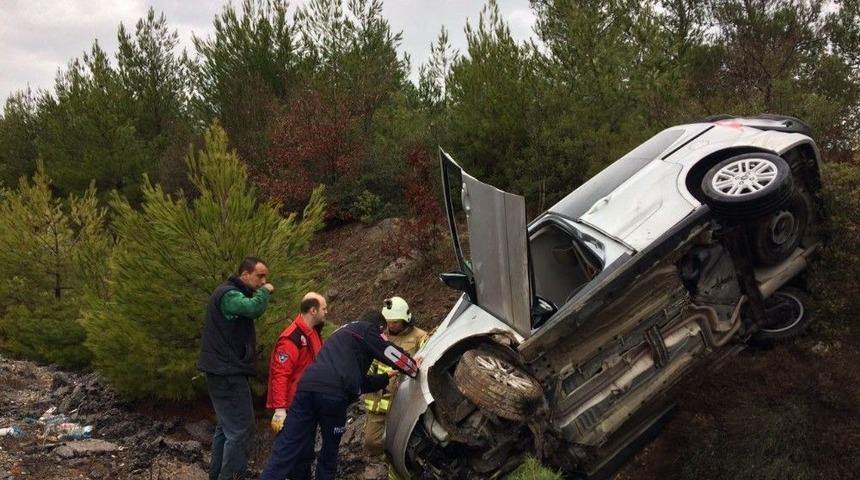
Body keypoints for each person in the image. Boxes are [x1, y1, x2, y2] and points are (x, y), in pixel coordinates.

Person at [259, 310, 421, 480]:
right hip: (333, 396)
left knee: (287, 448)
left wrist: (383, 378)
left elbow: (354, 381)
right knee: (329, 451)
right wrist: (413, 366)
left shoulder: (342, 334)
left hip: (306, 389)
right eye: (385, 333)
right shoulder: (367, 329)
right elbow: (391, 353)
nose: (386, 337)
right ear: (380, 327)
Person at [198, 256, 275, 480]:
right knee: (242, 429)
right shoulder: (229, 295)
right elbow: (252, 309)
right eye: (260, 276)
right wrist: (264, 292)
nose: (264, 281)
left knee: (226, 428)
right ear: (245, 275)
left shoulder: (230, 292)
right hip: (227, 372)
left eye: (265, 278)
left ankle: (217, 475)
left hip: (223, 370)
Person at [363, 297, 428, 480]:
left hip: (404, 402)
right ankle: (390, 463)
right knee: (371, 441)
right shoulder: (379, 337)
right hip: (379, 400)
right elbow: (369, 363)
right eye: (388, 322)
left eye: (395, 322)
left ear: (405, 319)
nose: (391, 326)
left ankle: (401, 472)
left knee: (405, 444)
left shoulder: (419, 337)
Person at [265, 292, 327, 479]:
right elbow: (280, 375)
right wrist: (280, 409)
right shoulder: (291, 338)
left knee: (304, 455)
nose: (327, 312)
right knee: (285, 456)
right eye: (324, 308)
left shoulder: (313, 333)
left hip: (308, 403)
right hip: (293, 407)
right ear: (313, 310)